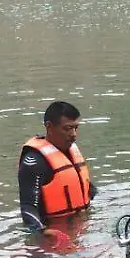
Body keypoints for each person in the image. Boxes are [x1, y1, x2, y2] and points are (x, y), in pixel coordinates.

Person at [18, 101, 97, 245]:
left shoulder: (71, 152)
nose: (73, 135)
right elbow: (28, 208)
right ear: (49, 126)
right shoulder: (34, 161)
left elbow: (85, 188)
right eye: (67, 129)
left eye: (75, 128)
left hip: (83, 227)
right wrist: (42, 231)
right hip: (53, 233)